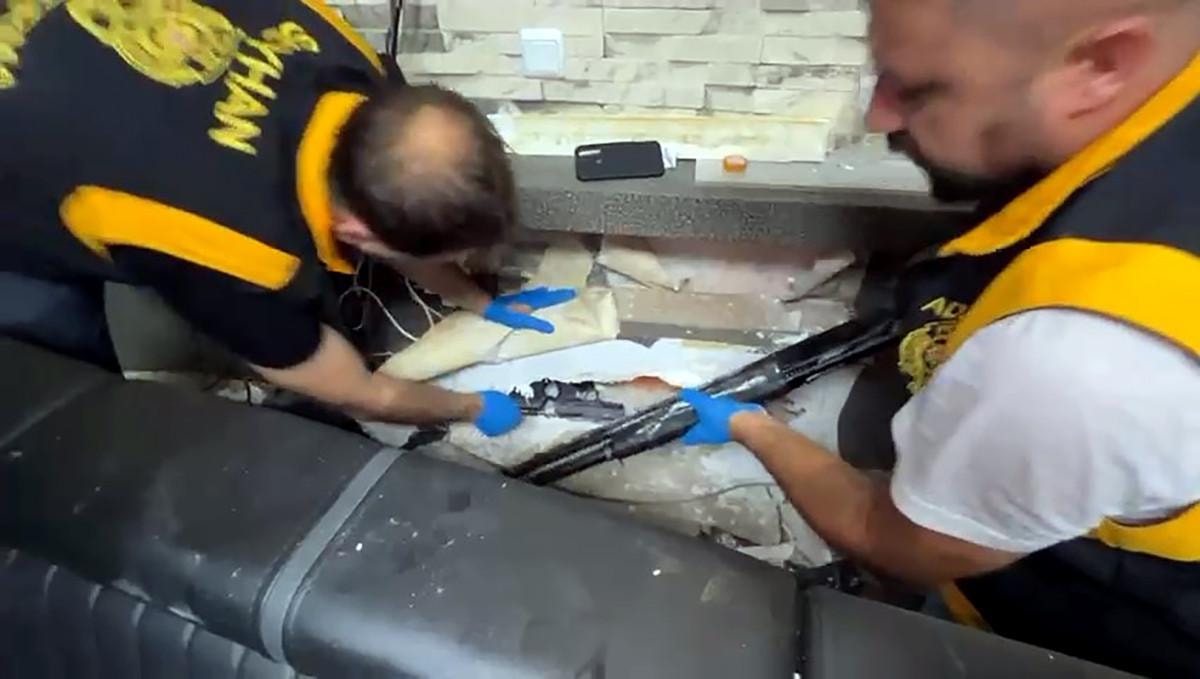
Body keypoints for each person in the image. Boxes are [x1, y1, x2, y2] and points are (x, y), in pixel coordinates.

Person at [679, 0, 1200, 675]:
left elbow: (892, 538)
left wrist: (751, 426)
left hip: (1080, 636)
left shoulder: (1075, 357)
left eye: (918, 89)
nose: (877, 118)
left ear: (1102, 64)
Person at [0, 0, 575, 437]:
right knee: (63, 389)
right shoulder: (232, 255)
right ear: (357, 233)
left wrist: (476, 300)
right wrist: (471, 408)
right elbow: (360, 392)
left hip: (71, 52)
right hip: (18, 170)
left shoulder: (344, 52)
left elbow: (397, 208)